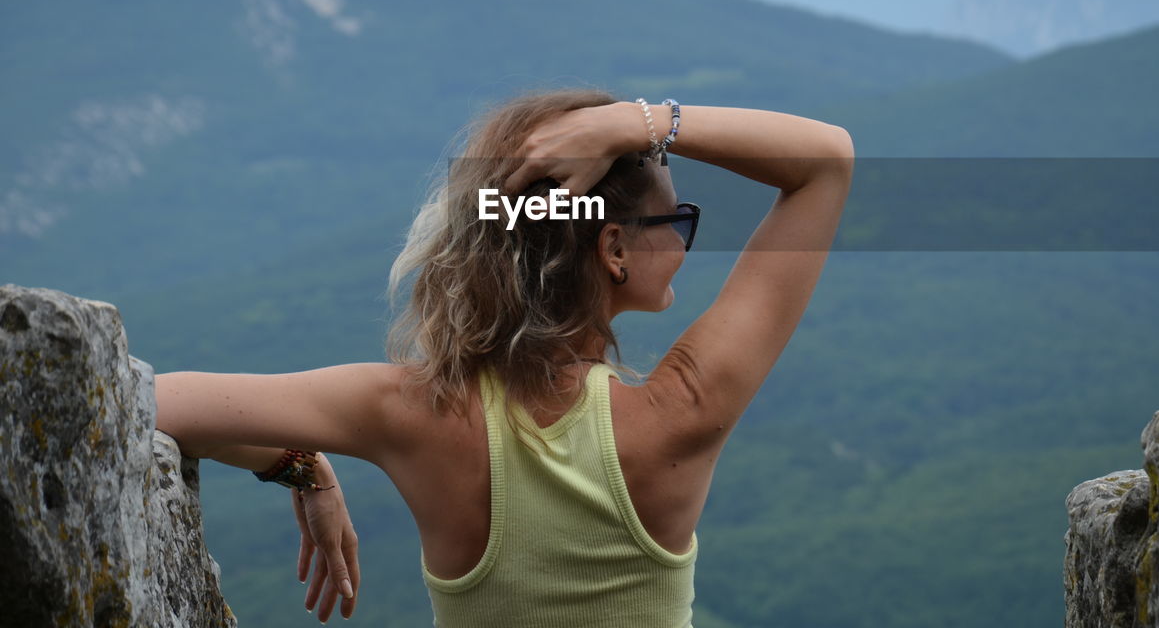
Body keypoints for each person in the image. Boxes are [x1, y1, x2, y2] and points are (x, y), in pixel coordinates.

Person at [156, 88, 854, 625]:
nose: (681, 242)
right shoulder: (683, 411)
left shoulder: (409, 411)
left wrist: (299, 465)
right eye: (674, 221)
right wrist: (634, 122)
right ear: (612, 250)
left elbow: (156, 404)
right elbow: (826, 163)